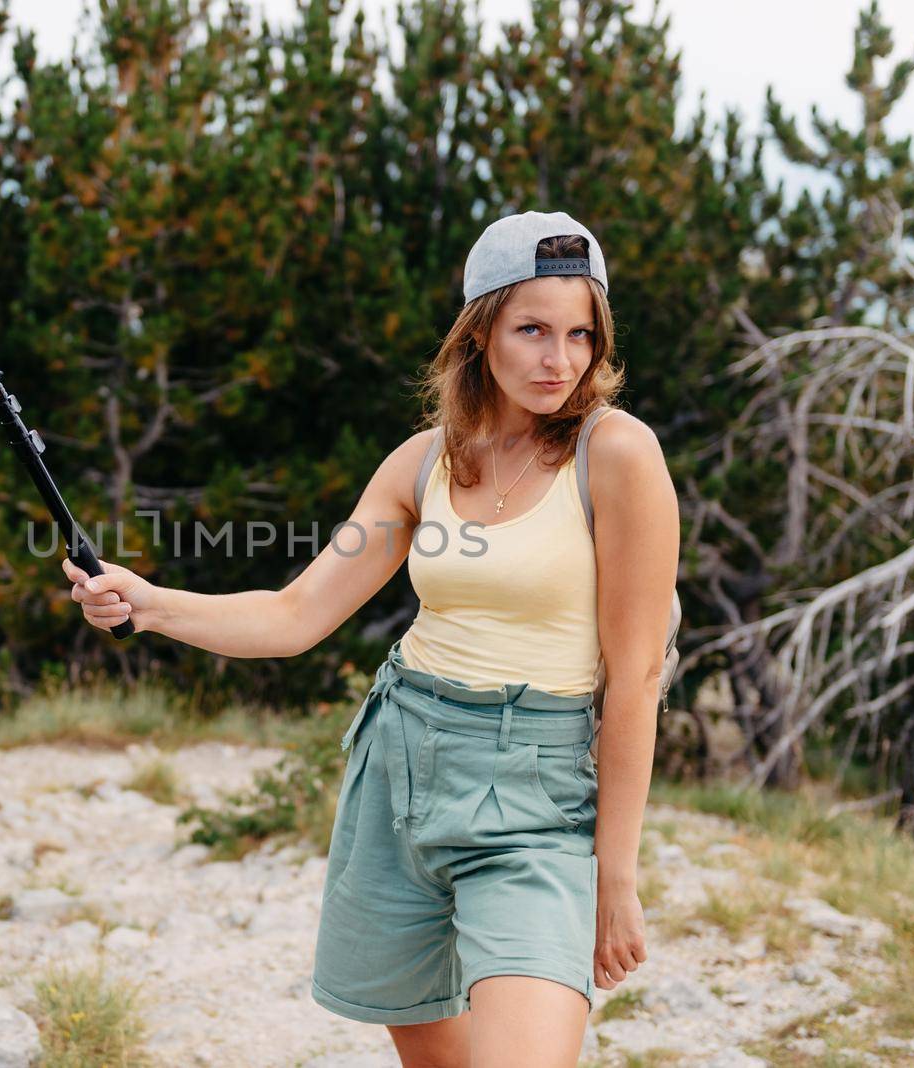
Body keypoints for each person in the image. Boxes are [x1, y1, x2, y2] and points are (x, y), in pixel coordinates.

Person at [61, 210, 678, 1068]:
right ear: (480, 331)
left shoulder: (616, 455)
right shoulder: (424, 462)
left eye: (579, 334)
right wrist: (150, 602)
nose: (559, 360)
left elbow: (637, 675)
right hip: (402, 767)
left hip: (537, 796)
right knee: (432, 1054)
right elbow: (294, 616)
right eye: (532, 329)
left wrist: (616, 876)